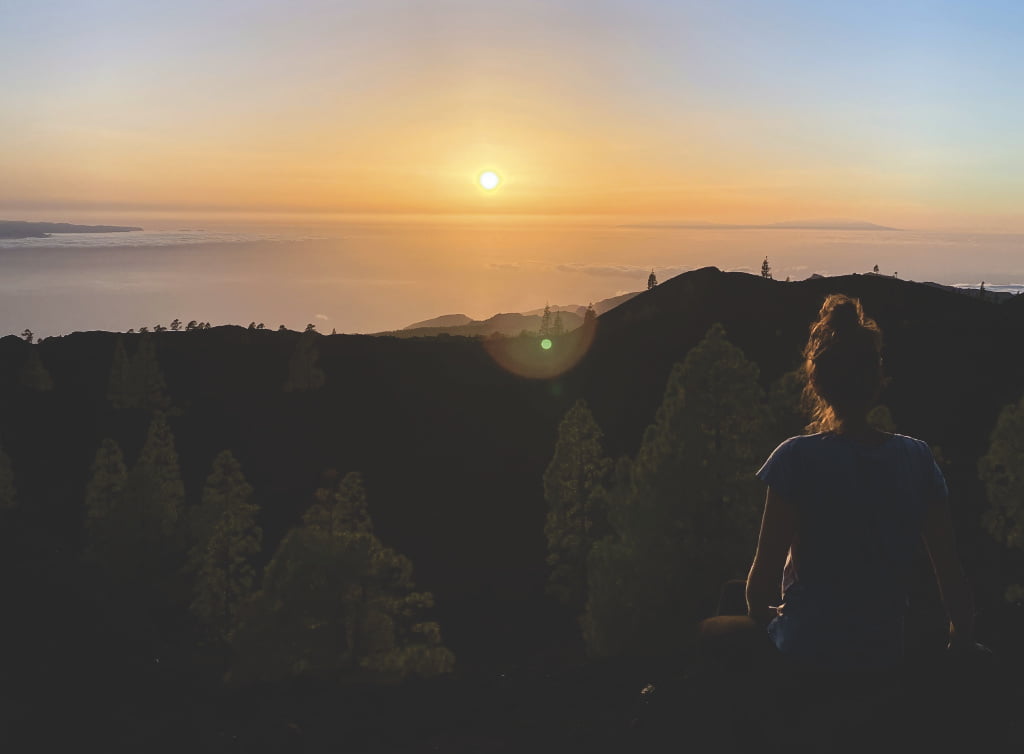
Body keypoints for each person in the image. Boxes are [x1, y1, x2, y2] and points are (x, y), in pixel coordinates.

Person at [746, 293, 976, 670]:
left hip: (804, 653)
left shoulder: (794, 458)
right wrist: (961, 640)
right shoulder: (917, 459)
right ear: (877, 380)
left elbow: (759, 591)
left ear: (817, 382)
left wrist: (772, 619)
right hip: (881, 654)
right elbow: (951, 575)